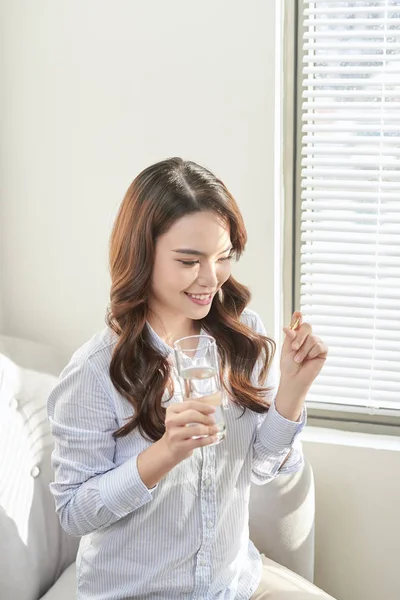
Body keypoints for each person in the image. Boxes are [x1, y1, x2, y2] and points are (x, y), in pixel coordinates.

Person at [48, 157, 333, 599]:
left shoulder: (244, 336)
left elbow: (261, 467)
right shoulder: (95, 371)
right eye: (189, 261)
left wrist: (293, 390)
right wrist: (162, 455)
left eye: (223, 258)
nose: (210, 279)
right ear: (143, 255)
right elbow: (74, 513)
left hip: (232, 584)